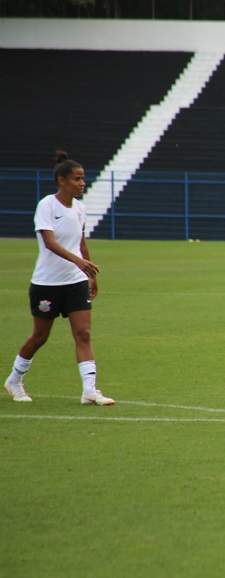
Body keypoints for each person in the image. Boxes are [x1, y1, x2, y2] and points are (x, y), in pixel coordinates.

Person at [4, 151, 115, 406]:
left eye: (83, 179)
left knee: (84, 333)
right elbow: (49, 242)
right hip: (47, 283)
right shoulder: (47, 205)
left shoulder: (80, 208)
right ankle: (14, 379)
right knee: (40, 336)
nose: (82, 183)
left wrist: (89, 274)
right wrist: (78, 260)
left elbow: (81, 242)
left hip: (75, 281)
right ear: (61, 180)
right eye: (77, 179)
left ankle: (89, 390)